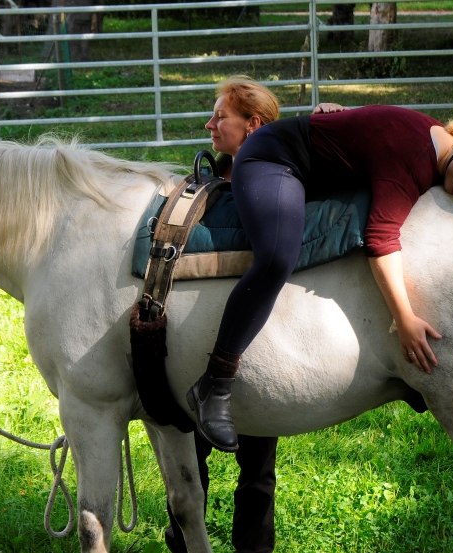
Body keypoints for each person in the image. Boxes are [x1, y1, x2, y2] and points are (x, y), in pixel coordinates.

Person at [185, 104, 453, 454]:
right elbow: (380, 238)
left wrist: (340, 117)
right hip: (273, 160)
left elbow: (370, 128)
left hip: (312, 165)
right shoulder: (412, 159)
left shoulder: (437, 141)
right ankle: (214, 383)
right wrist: (404, 318)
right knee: (277, 255)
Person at [166, 75, 281, 553]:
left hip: (258, 348)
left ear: (252, 125)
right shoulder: (204, 186)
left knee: (258, 469)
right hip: (196, 345)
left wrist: (332, 114)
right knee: (189, 459)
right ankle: (185, 541)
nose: (209, 125)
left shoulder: (281, 183)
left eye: (220, 117)